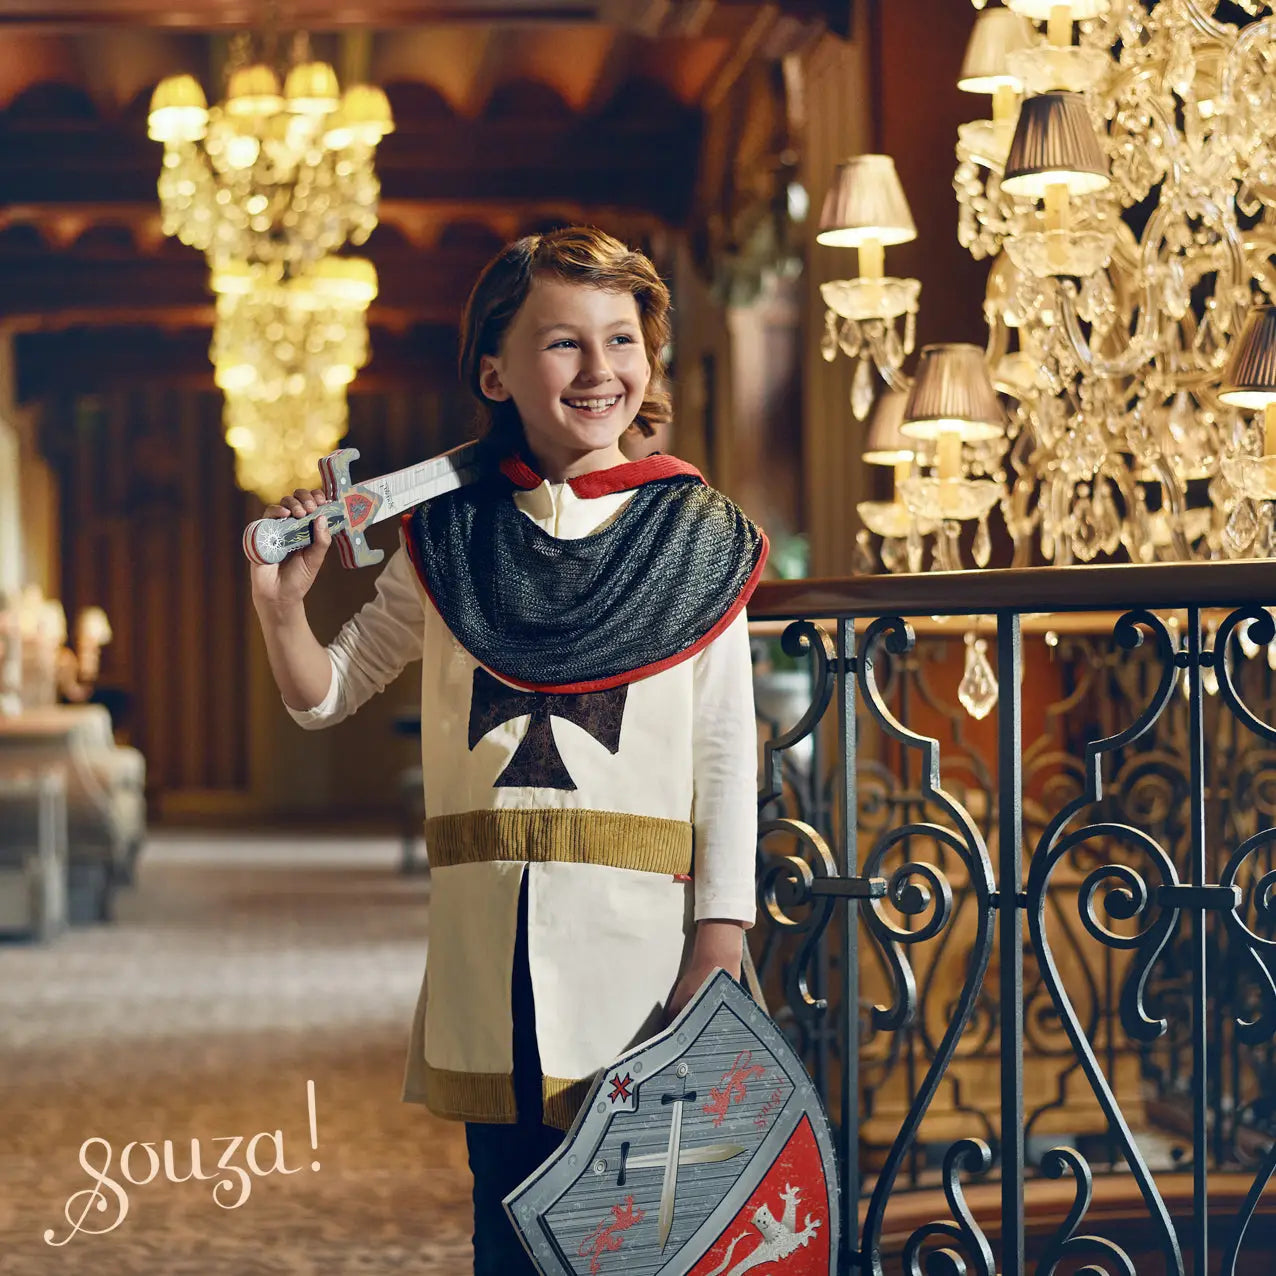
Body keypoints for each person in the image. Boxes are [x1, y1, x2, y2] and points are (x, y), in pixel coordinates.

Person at [249, 226, 767, 1274]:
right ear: (496, 369)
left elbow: (724, 748)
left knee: (634, 1231)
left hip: (638, 950)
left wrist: (719, 930)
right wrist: (281, 609)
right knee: (511, 1221)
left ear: (650, 359)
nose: (600, 369)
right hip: (494, 949)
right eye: (562, 343)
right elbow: (328, 692)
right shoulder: (446, 534)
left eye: (621, 340)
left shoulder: (698, 535)